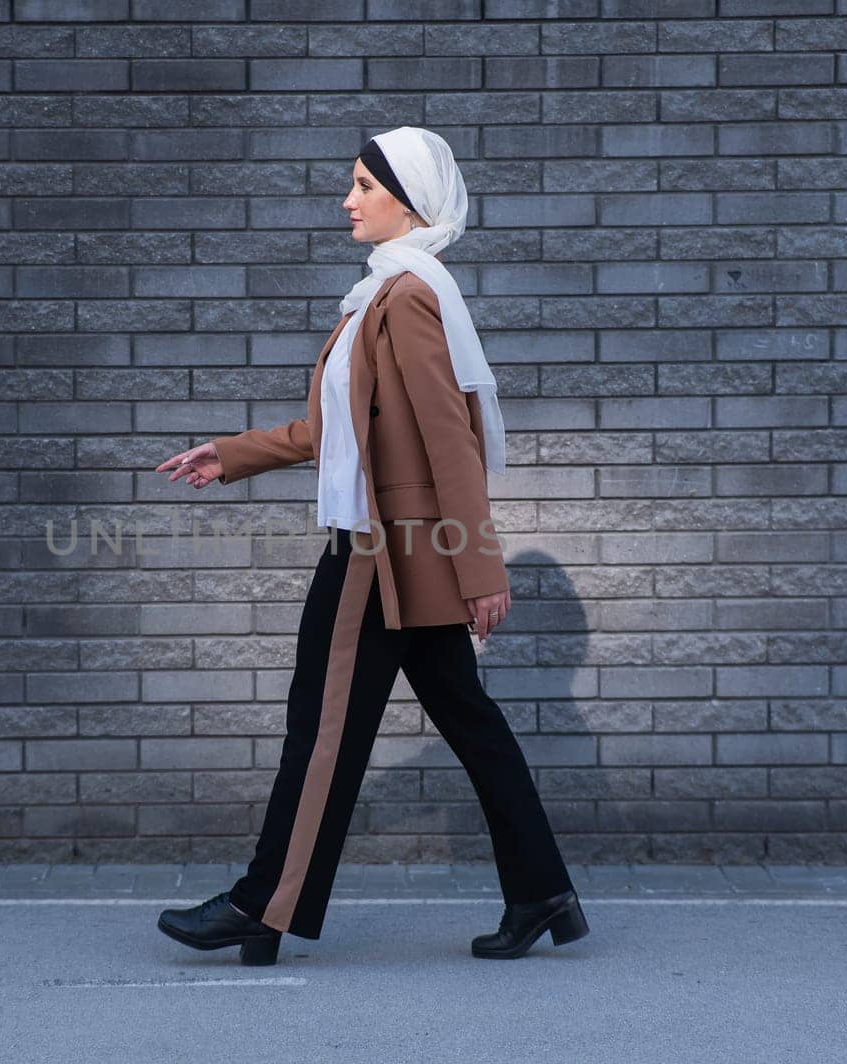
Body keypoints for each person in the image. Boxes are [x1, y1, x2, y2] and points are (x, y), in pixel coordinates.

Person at [152, 127, 586, 966]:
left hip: (381, 557)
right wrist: (233, 453)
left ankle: (262, 906)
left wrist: (482, 566)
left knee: (321, 727)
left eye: (362, 185)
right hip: (399, 553)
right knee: (467, 718)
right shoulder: (380, 296)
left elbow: (448, 439)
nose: (347, 200)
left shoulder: (410, 297)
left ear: (408, 199)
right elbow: (338, 432)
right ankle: (542, 891)